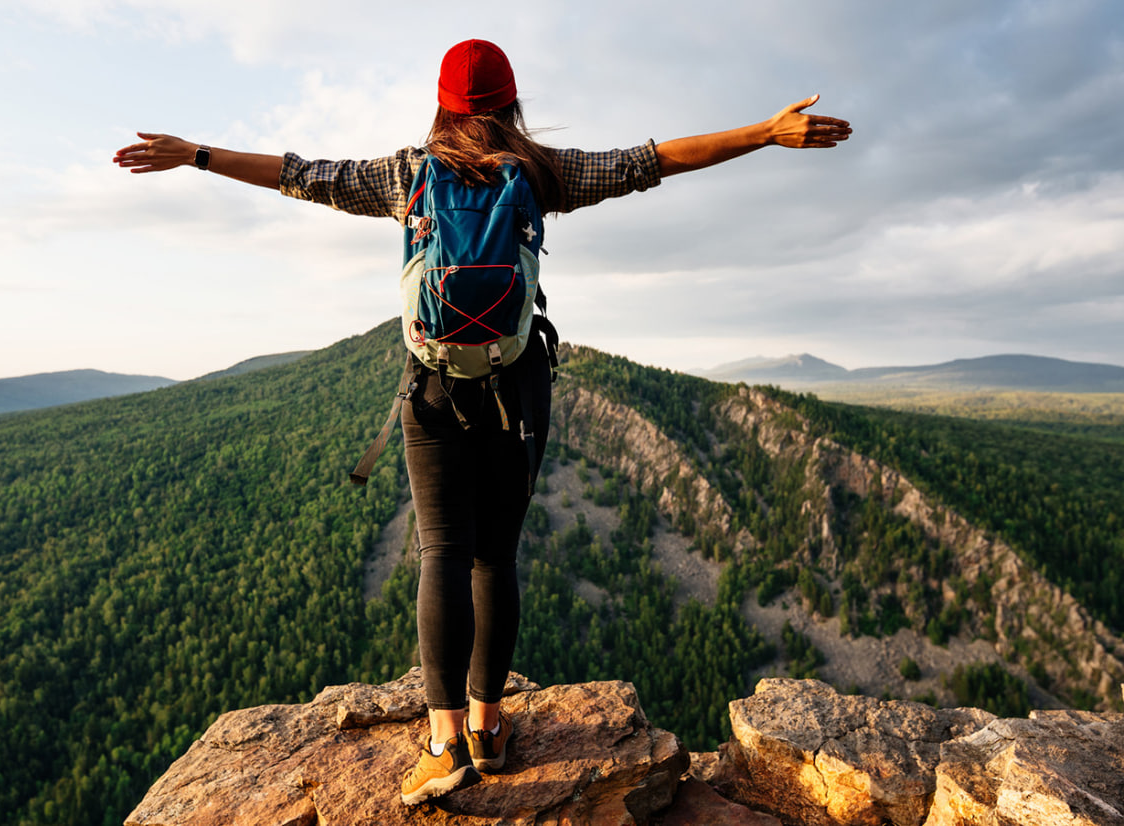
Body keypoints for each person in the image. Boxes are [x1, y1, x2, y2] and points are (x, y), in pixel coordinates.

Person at [114, 38, 850, 806]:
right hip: (516, 386)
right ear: (510, 101)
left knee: (442, 555)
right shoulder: (540, 171)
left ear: (442, 103)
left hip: (432, 389)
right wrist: (764, 133)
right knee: (494, 560)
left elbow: (300, 176)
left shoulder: (405, 174)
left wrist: (195, 155)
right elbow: (651, 160)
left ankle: (442, 745)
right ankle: (490, 729)